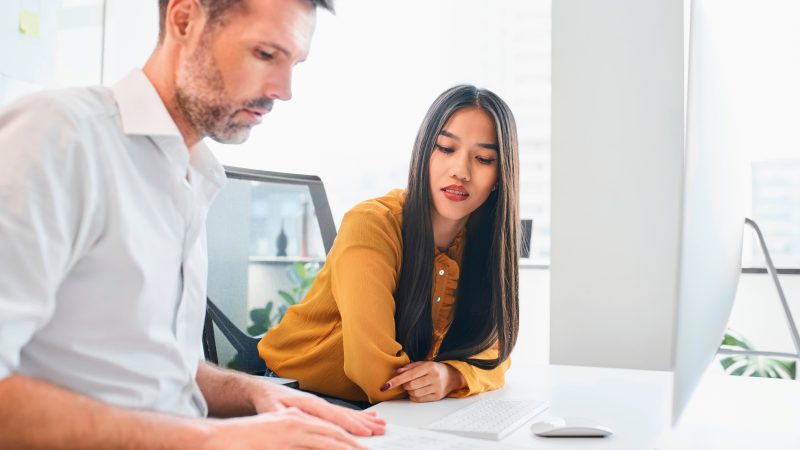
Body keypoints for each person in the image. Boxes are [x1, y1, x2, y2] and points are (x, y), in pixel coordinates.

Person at [0, 0, 385, 448]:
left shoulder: (193, 172)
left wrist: (258, 394)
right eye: (265, 54)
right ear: (184, 20)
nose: (284, 90)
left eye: (294, 63)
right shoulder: (59, 136)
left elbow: (162, 372)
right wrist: (208, 439)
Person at [259, 85, 520, 405]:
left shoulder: (483, 244)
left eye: (483, 158)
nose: (460, 171)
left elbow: (495, 355)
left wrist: (452, 376)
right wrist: (449, 380)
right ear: (424, 151)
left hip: (388, 407)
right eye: (446, 148)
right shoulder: (371, 225)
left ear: (500, 175)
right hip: (301, 394)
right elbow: (376, 376)